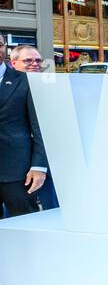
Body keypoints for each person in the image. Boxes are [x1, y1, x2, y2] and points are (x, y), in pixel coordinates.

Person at [0, 38, 48, 218]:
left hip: (18, 173)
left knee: (26, 225)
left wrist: (39, 166)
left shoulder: (27, 81)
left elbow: (40, 127)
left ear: (5, 48)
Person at [8, 46, 58, 210]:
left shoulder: (51, 86)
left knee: (52, 212)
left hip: (49, 163)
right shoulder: (6, 89)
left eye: (38, 60)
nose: (34, 64)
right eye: (28, 60)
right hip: (16, 168)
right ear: (13, 63)